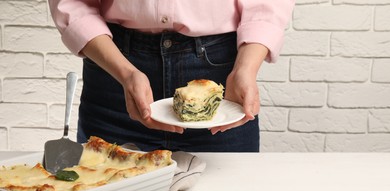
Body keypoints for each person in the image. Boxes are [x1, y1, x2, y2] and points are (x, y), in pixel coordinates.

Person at [48, 0, 295, 152]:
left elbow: (267, 4)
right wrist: (125, 73)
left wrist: (246, 68)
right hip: (115, 73)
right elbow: (73, 3)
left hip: (220, 74)